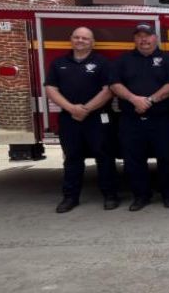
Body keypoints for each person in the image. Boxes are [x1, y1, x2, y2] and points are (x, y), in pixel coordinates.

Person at [45, 27, 119, 213]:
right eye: (77, 37)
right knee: (72, 158)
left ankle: (110, 196)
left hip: (97, 117)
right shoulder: (59, 63)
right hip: (70, 118)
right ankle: (70, 198)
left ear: (92, 43)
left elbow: (108, 90)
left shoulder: (102, 63)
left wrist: (86, 109)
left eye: (85, 38)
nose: (80, 41)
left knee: (104, 157)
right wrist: (72, 108)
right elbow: (51, 89)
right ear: (71, 39)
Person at [110, 23, 169, 211]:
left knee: (166, 158)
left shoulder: (168, 60)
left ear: (154, 38)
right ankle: (141, 197)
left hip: (162, 119)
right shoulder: (123, 61)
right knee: (134, 160)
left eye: (147, 36)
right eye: (139, 36)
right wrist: (134, 99)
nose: (144, 40)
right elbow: (115, 84)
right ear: (134, 39)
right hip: (131, 119)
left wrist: (149, 100)